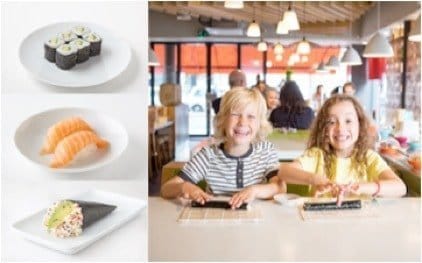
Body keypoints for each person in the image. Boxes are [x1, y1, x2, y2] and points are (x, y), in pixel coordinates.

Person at [161, 88, 286, 209]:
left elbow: (280, 187)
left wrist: (255, 190)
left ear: (260, 123)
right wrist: (184, 187)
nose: (242, 122)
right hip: (215, 220)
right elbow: (166, 189)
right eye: (235, 114)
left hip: (255, 221)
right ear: (223, 120)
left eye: (251, 116)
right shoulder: (208, 155)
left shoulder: (266, 151)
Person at [277, 95, 406, 204]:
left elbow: (400, 188)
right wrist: (316, 179)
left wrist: (362, 188)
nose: (340, 128)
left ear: (360, 125)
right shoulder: (316, 155)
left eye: (348, 121)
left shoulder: (368, 157)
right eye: (332, 122)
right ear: (324, 129)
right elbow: (283, 171)